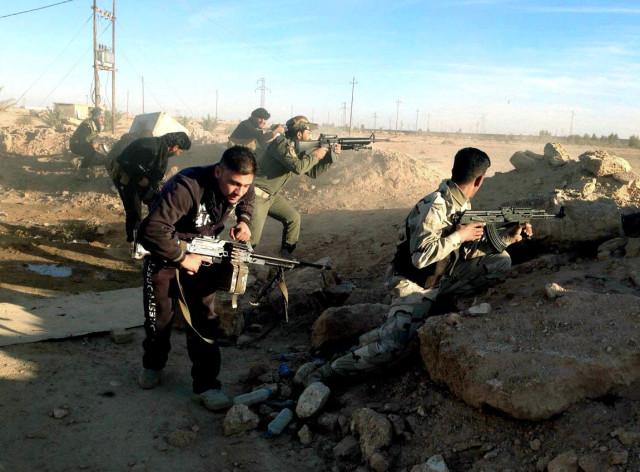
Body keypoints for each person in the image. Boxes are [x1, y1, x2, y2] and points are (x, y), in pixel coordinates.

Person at [302, 147, 532, 385]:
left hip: (438, 277)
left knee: (500, 261)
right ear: (479, 179)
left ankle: (436, 304)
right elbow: (420, 258)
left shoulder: (461, 205)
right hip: (412, 282)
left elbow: (463, 251)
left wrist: (508, 238)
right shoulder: (435, 206)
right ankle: (327, 373)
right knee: (392, 348)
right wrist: (459, 237)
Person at [136, 145, 256, 411]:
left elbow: (247, 198)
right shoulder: (186, 186)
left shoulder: (242, 186)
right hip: (164, 256)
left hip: (202, 255)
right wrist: (181, 258)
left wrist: (244, 220)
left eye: (245, 185)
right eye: (233, 183)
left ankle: (206, 385)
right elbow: (151, 229)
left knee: (204, 319)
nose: (238, 191)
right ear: (217, 172)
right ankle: (153, 364)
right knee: (160, 319)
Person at [248, 115, 340, 258]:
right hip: (258, 195)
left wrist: (329, 157)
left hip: (271, 196)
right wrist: (316, 155)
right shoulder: (281, 144)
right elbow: (298, 168)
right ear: (299, 134)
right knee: (251, 240)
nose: (311, 136)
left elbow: (312, 172)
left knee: (293, 218)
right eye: (309, 132)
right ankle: (235, 266)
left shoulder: (295, 149)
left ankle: (286, 255)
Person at [112, 131, 191, 247]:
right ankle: (133, 245)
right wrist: (141, 179)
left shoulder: (160, 148)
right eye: (180, 151)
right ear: (175, 147)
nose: (178, 154)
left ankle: (155, 237)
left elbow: (155, 173)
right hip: (126, 178)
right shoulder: (150, 147)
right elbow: (127, 162)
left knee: (156, 203)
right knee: (134, 212)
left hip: (140, 179)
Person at [69, 107, 106, 179]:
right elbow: (80, 141)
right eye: (101, 117)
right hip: (76, 145)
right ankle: (82, 172)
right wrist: (92, 145)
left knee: (102, 159)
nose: (103, 119)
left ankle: (83, 161)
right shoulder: (86, 126)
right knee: (91, 153)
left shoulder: (97, 125)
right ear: (96, 117)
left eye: (103, 117)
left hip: (85, 145)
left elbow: (92, 136)